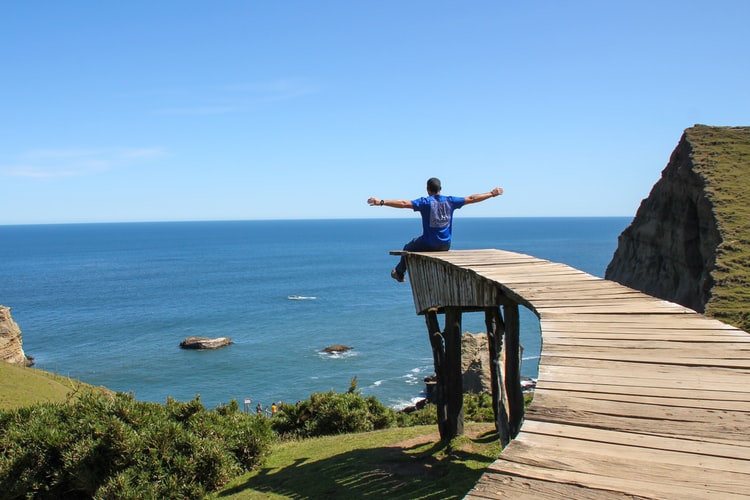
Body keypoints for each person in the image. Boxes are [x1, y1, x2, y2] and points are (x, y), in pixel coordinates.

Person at [368, 177, 503, 282]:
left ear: (427, 189)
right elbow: (472, 198)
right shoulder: (450, 201)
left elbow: (403, 203)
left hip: (428, 244)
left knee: (407, 247)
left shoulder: (425, 202)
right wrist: (492, 193)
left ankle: (399, 273)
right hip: (445, 245)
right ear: (440, 189)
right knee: (413, 244)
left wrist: (382, 202)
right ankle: (400, 273)